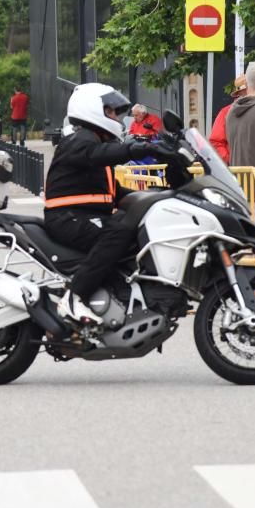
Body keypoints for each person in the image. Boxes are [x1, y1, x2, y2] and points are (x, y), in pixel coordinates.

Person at [43, 83, 158, 326]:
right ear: (92, 109)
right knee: (117, 232)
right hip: (68, 218)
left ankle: (117, 293)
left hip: (81, 216)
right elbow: (100, 153)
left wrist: (158, 197)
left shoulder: (93, 145)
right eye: (111, 112)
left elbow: (115, 193)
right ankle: (76, 296)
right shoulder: (79, 141)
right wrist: (138, 148)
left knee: (133, 229)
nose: (116, 117)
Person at [208, 74, 247, 163]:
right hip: (240, 171)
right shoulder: (226, 112)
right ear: (240, 93)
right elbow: (216, 142)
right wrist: (231, 161)